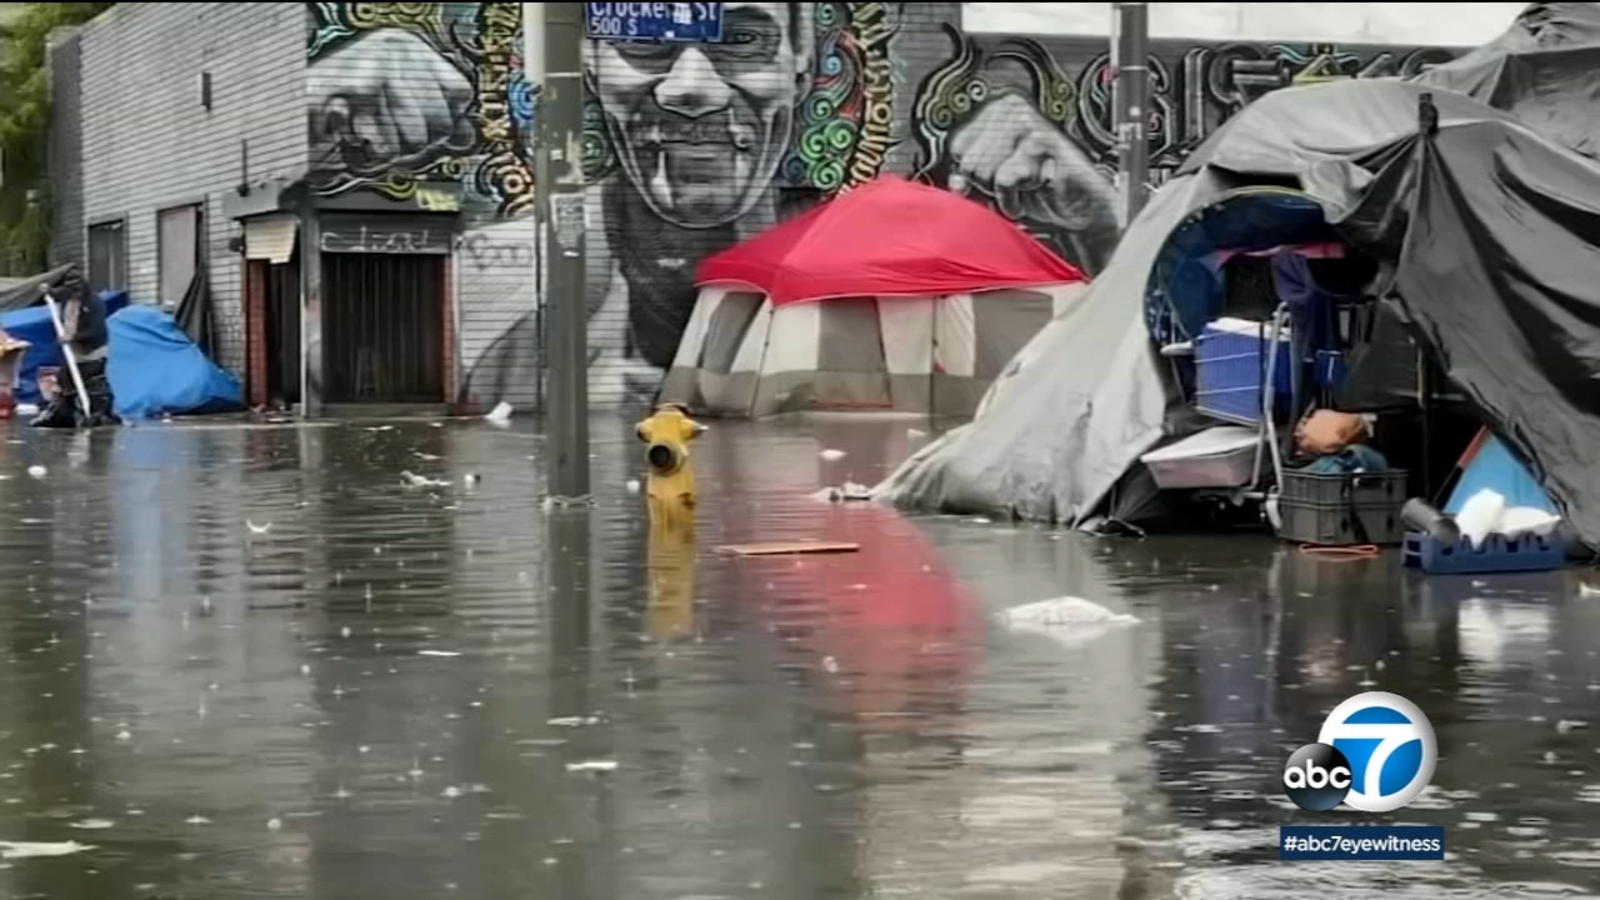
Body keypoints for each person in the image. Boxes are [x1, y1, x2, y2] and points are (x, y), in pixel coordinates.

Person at [31, 275, 116, 428]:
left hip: (92, 352)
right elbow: (55, 294)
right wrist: (48, 291)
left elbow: (97, 331)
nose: (74, 293)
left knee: (92, 384)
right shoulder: (66, 295)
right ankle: (65, 413)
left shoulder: (94, 303)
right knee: (66, 382)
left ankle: (96, 413)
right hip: (72, 351)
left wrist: (72, 337)